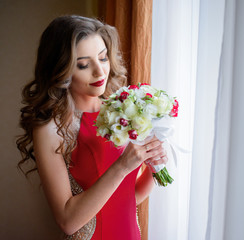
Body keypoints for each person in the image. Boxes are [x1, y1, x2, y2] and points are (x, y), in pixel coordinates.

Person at [17, 15, 168, 240]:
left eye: (103, 58)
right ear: (61, 70)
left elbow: (129, 197)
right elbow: (67, 221)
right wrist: (122, 166)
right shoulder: (51, 129)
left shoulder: (122, 110)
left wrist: (155, 167)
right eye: (84, 65)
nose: (100, 72)